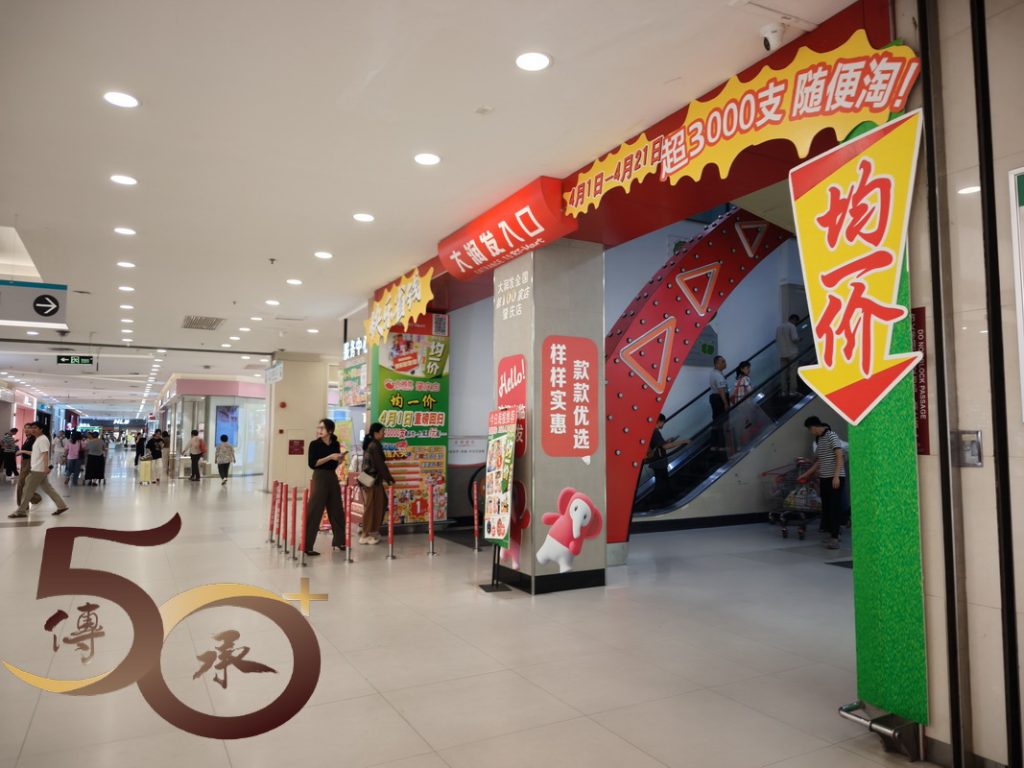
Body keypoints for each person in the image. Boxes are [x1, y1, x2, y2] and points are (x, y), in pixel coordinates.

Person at [798, 416, 847, 550]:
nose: (810, 432)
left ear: (813, 427)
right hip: (824, 478)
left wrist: (836, 476)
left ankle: (835, 538)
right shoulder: (820, 439)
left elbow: (839, 456)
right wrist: (807, 474)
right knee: (827, 507)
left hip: (835, 478)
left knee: (834, 507)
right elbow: (820, 461)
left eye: (809, 430)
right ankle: (832, 534)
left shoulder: (832, 436)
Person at [8, 422, 68, 518]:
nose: (32, 429)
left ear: (41, 429)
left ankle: (21, 511)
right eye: (31, 428)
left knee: (27, 489)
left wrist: (46, 467)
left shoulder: (43, 439)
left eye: (35, 428)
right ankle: (62, 506)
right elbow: (36, 453)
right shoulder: (38, 439)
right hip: (37, 468)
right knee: (48, 489)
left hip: (38, 470)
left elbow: (45, 454)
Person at [305, 419, 346, 555]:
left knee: (337, 509)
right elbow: (312, 464)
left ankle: (340, 541)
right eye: (319, 428)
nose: (319, 430)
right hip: (319, 476)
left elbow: (334, 464)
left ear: (330, 430)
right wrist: (330, 457)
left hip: (332, 476)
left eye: (322, 428)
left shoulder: (335, 444)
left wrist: (339, 460)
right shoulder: (314, 444)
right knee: (314, 510)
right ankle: (307, 546)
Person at [359, 422, 394, 545]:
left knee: (380, 503)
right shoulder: (375, 445)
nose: (384, 433)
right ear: (376, 433)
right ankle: (366, 534)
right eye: (382, 431)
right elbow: (380, 464)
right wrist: (389, 479)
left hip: (372, 480)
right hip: (372, 481)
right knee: (372, 507)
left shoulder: (372, 444)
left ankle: (372, 531)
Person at [646, 414, 689, 504]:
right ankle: (659, 501)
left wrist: (667, 441)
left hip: (656, 461)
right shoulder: (655, 432)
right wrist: (682, 441)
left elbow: (659, 445)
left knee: (663, 481)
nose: (663, 424)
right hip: (658, 461)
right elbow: (665, 447)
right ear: (659, 421)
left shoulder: (651, 431)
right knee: (662, 482)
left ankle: (664, 499)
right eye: (663, 422)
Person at [708, 355, 729, 454]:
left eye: (724, 361)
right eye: (722, 362)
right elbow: (721, 390)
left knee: (716, 422)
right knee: (722, 422)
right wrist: (725, 403)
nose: (725, 363)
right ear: (716, 364)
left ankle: (714, 445)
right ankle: (722, 446)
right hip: (719, 399)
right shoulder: (718, 376)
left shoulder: (713, 373)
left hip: (714, 398)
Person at [776, 314, 800, 398]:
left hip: (782, 354)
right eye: (797, 322)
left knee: (783, 374)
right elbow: (794, 338)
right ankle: (792, 391)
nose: (796, 324)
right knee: (792, 373)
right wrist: (799, 339)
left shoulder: (779, 327)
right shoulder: (792, 327)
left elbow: (777, 339)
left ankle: (784, 391)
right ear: (794, 320)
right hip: (792, 353)